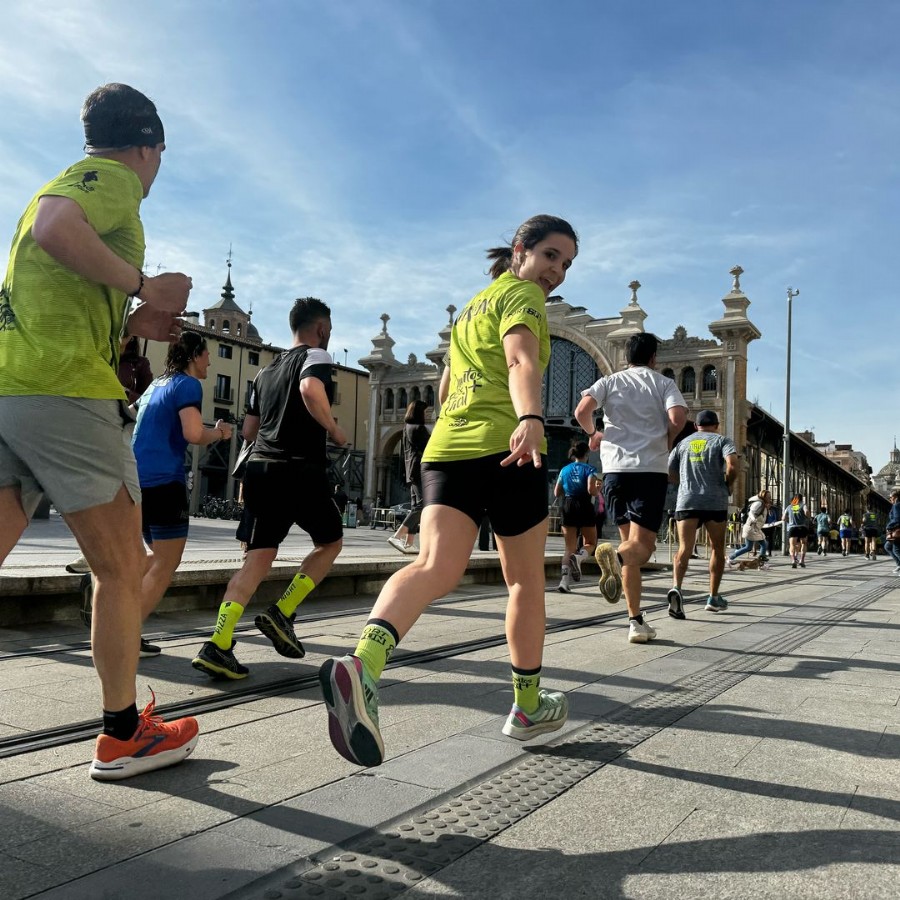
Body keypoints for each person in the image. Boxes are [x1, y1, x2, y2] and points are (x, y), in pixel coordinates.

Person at [320, 214, 578, 767]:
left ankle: (363, 664)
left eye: (566, 264)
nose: (557, 272)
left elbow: (442, 387)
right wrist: (531, 414)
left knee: (435, 566)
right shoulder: (523, 297)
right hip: (508, 445)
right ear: (520, 250)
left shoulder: (470, 309)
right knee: (525, 581)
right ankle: (528, 707)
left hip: (448, 448)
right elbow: (520, 358)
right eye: (551, 256)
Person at [0, 83, 198, 780]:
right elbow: (59, 227)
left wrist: (131, 321)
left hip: (13, 389)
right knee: (121, 568)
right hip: (67, 393)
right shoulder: (108, 179)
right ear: (149, 145)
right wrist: (145, 283)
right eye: (160, 153)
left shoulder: (62, 184)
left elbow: (58, 270)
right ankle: (123, 736)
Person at [192, 297, 347, 678]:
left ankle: (218, 644)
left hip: (261, 469)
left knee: (257, 560)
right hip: (298, 469)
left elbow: (248, 431)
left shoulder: (264, 372)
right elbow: (312, 390)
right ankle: (282, 612)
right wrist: (333, 428)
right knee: (330, 543)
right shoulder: (317, 357)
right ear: (322, 329)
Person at [574, 333, 688, 644]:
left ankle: (635, 621)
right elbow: (677, 417)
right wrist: (668, 438)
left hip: (613, 474)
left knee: (630, 545)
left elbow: (582, 411)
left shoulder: (610, 381)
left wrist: (594, 434)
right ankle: (617, 560)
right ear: (654, 358)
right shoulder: (662, 383)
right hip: (648, 471)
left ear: (627, 355)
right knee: (643, 549)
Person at [131, 331, 233, 654]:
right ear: (193, 356)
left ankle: (117, 609)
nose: (210, 361)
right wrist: (218, 432)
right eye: (206, 354)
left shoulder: (155, 386)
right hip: (165, 481)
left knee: (150, 556)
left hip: (136, 480)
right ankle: (123, 632)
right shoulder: (188, 385)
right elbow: (192, 432)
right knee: (165, 563)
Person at [66, 335, 154, 575]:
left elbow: (149, 400)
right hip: (92, 425)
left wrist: (124, 392)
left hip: (121, 429)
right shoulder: (99, 355)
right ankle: (92, 552)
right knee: (94, 489)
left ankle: (123, 551)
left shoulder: (139, 364)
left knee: (122, 491)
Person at [666, 410, 738, 617]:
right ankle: (713, 598)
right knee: (716, 548)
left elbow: (669, 471)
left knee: (684, 548)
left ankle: (677, 588)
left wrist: (685, 483)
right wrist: (728, 484)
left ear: (696, 426)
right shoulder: (722, 441)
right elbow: (732, 465)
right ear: (716, 425)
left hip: (687, 500)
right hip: (715, 501)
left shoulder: (683, 444)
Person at [554, 441, 599, 593]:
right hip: (584, 505)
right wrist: (598, 489)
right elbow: (591, 490)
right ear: (587, 454)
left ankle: (564, 581)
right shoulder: (590, 469)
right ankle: (579, 558)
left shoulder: (564, 470)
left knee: (569, 547)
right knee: (591, 542)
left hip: (568, 505)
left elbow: (556, 492)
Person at [388, 400, 430, 554]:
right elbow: (430, 446)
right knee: (422, 504)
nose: (426, 414)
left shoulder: (407, 428)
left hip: (411, 470)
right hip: (419, 469)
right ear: (419, 412)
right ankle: (397, 535)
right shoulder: (419, 428)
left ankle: (409, 543)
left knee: (415, 505)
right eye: (424, 412)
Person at [727, 489, 773, 566]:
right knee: (759, 545)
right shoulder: (759, 503)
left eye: (770, 496)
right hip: (751, 528)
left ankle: (761, 561)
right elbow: (751, 512)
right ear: (763, 497)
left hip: (755, 528)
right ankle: (761, 560)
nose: (770, 498)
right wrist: (753, 518)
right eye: (768, 497)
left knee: (751, 547)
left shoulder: (764, 505)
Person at [782, 493, 810, 568]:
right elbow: (806, 512)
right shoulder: (803, 505)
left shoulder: (789, 506)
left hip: (792, 528)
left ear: (794, 499)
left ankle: (793, 560)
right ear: (801, 499)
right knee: (803, 543)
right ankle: (802, 560)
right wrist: (807, 517)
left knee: (792, 545)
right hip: (802, 527)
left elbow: (783, 518)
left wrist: (789, 521)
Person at [884, 490, 900, 574]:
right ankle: (898, 564)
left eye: (891, 497)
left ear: (896, 497)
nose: (890, 499)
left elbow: (897, 519)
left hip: (897, 531)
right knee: (888, 546)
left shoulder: (897, 505)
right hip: (897, 530)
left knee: (896, 550)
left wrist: (889, 526)